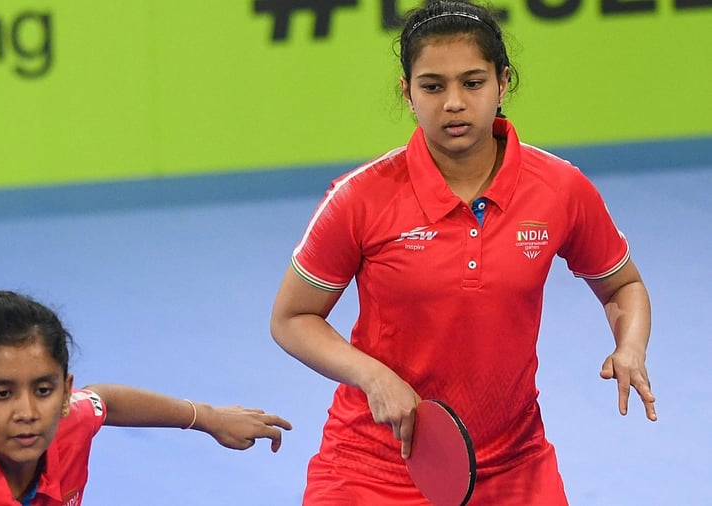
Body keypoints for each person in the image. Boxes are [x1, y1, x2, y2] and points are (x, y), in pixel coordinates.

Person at [269, 1, 656, 504]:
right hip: (371, 468)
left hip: (515, 467)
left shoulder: (559, 189)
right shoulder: (359, 198)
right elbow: (292, 317)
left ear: (503, 82)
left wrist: (630, 346)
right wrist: (371, 375)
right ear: (406, 93)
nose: (453, 102)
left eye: (473, 83)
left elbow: (622, 283)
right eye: (433, 86)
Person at [0, 290, 292, 506]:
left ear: (65, 391)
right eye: (2, 393)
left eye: (44, 390)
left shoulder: (66, 420)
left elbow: (104, 401)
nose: (28, 412)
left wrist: (207, 417)